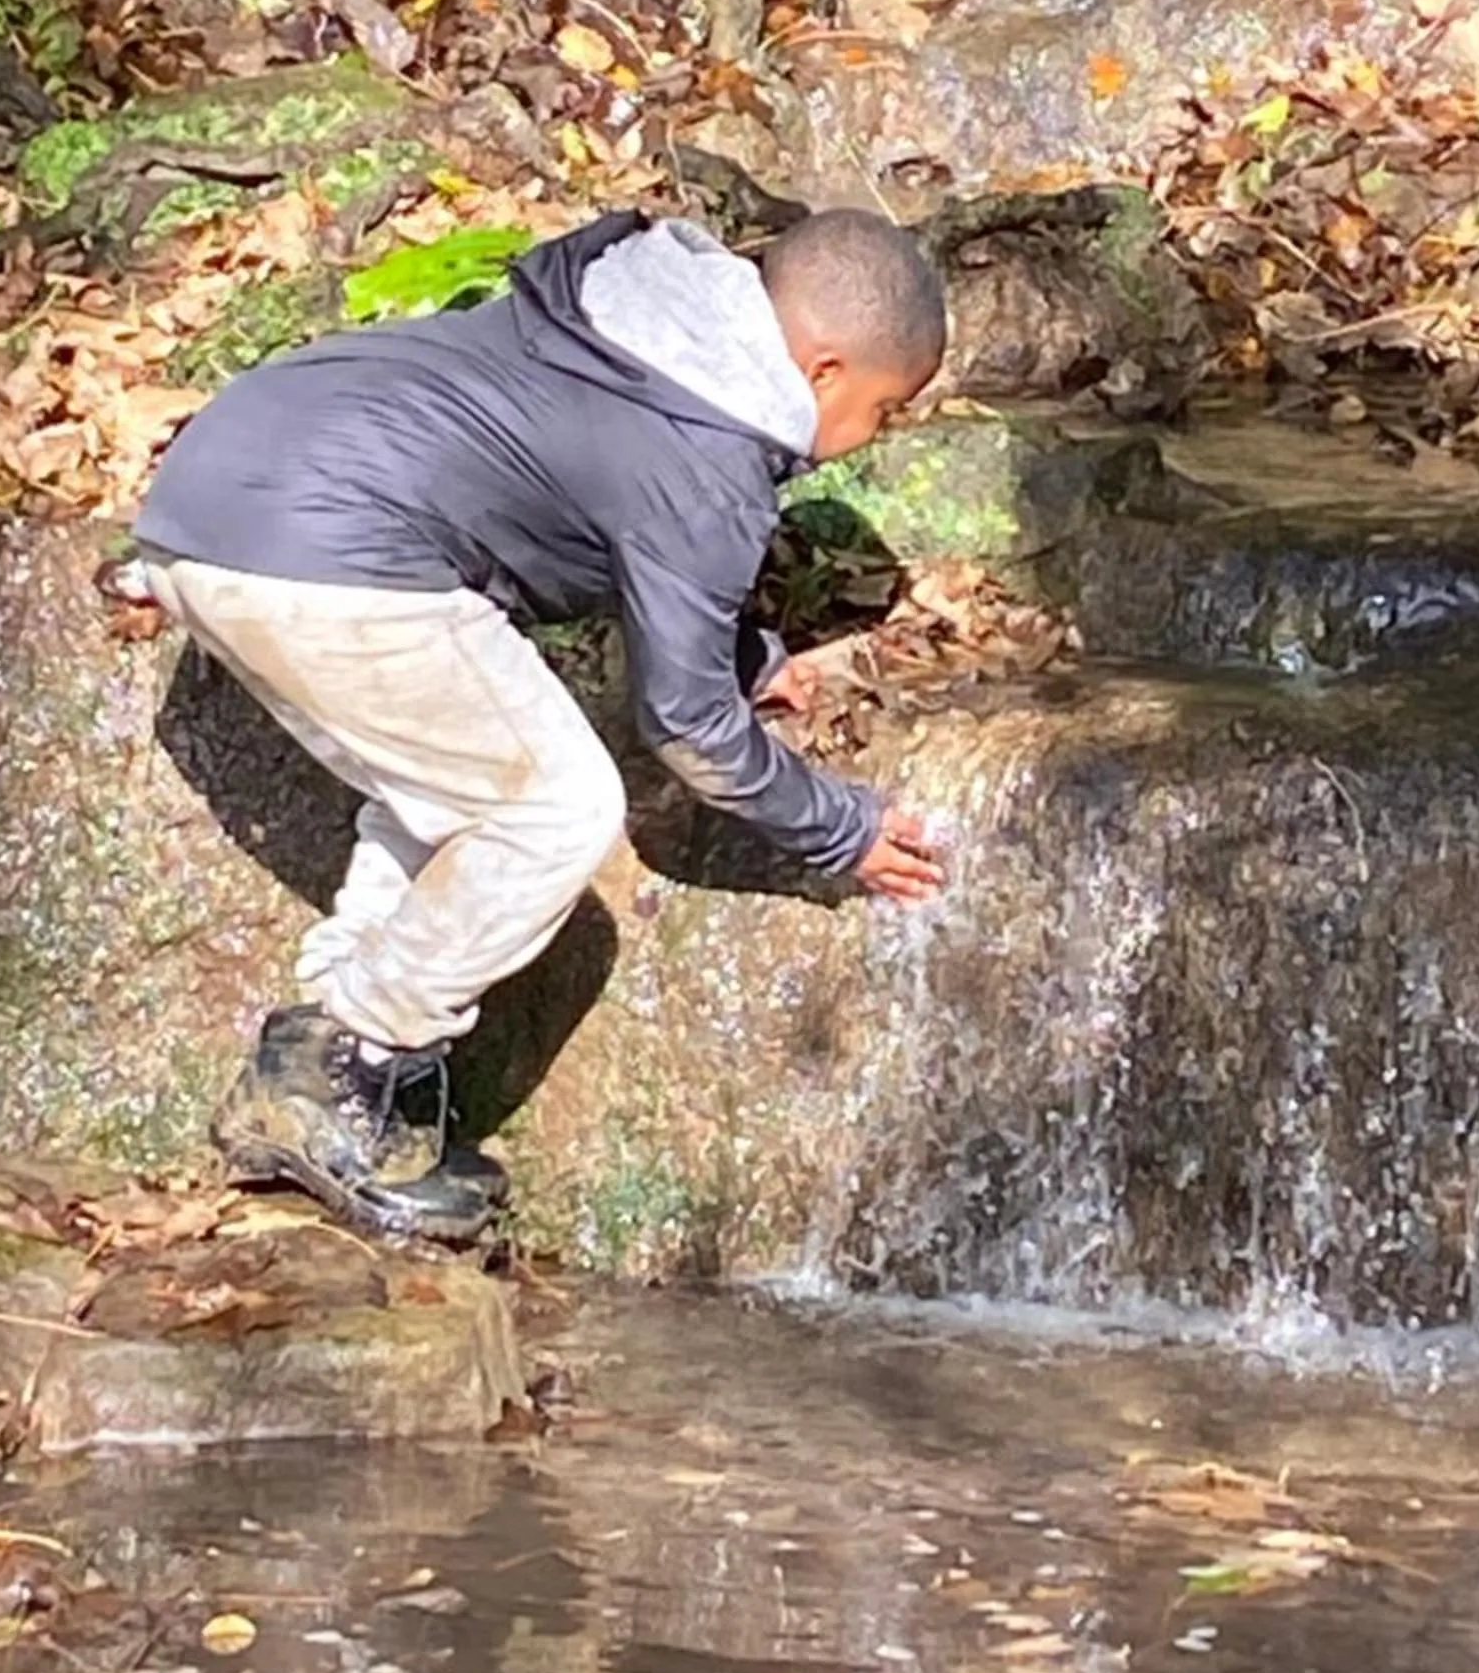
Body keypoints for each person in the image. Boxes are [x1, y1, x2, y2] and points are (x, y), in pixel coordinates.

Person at [132, 205, 949, 1245]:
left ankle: (341, 1083)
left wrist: (747, 658)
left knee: (452, 794)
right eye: (885, 410)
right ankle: (350, 1066)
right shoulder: (710, 448)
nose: (867, 440)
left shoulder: (643, 325)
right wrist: (846, 831)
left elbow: (582, 511)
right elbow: (688, 727)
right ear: (825, 370)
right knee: (553, 809)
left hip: (217, 498)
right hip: (326, 546)